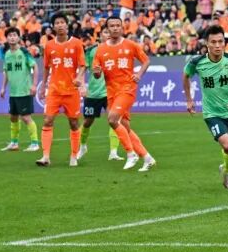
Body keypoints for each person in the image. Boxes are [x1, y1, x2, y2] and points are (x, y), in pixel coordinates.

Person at [184, 25, 228, 190]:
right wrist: (189, 100)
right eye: (213, 42)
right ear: (206, 43)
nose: (217, 45)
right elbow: (186, 76)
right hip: (212, 113)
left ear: (224, 43)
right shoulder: (197, 62)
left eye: (220, 41)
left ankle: (226, 170)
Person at [92, 16, 155, 172]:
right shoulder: (101, 49)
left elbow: (146, 60)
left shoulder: (130, 45)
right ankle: (147, 157)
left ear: (122, 28)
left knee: (112, 119)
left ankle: (130, 154)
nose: (115, 28)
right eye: (112, 26)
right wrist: (97, 72)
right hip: (111, 92)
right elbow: (97, 74)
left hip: (127, 89)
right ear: (107, 29)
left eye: (118, 25)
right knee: (125, 127)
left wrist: (139, 74)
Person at [35, 13, 86, 167]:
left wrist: (80, 79)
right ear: (53, 26)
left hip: (71, 90)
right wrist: (43, 86)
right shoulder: (49, 45)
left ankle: (74, 155)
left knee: (74, 123)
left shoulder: (76, 43)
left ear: (67, 24)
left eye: (62, 22)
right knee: (47, 120)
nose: (60, 25)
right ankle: (45, 156)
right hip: (54, 90)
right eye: (57, 23)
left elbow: (83, 65)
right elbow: (46, 67)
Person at [79, 27, 122, 161]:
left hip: (110, 92)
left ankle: (113, 152)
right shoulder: (91, 51)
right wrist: (82, 86)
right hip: (93, 93)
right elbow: (83, 68)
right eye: (105, 32)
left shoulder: (117, 49)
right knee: (87, 122)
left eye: (110, 32)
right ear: (100, 35)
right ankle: (82, 147)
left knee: (114, 120)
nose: (108, 34)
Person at [0, 26, 40, 153]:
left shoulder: (24, 52)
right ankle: (14, 143)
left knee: (26, 118)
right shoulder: (7, 54)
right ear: (7, 38)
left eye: (14, 35)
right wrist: (3, 87)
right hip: (13, 92)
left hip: (24, 91)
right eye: (9, 35)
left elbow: (34, 67)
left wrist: (34, 85)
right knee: (13, 117)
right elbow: (6, 71)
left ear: (18, 37)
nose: (12, 38)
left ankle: (35, 143)